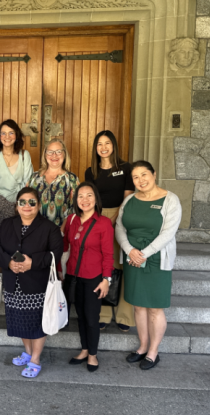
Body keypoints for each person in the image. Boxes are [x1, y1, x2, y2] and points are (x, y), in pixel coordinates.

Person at [115, 161, 182, 370]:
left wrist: (144, 254)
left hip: (156, 258)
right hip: (133, 258)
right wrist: (129, 250)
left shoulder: (170, 200)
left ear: (154, 174)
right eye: (136, 177)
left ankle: (153, 351)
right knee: (138, 305)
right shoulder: (129, 200)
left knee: (154, 308)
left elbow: (168, 233)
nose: (141, 180)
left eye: (144, 175)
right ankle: (142, 347)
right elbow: (119, 227)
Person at [0, 187, 63, 378]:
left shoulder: (50, 228)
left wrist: (33, 262)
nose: (27, 206)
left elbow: (56, 253)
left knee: (37, 323)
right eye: (22, 202)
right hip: (13, 283)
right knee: (21, 321)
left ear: (38, 205)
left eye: (32, 202)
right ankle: (28, 352)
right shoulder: (7, 224)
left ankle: (35, 359)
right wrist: (8, 262)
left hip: (37, 284)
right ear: (17, 205)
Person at [84, 130, 137, 332]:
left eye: (107, 143)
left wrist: (114, 220)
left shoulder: (125, 168)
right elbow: (90, 198)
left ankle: (124, 315)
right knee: (102, 265)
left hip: (121, 217)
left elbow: (128, 198)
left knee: (121, 265)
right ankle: (104, 313)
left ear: (113, 145)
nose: (103, 147)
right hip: (97, 217)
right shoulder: (91, 171)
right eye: (99, 144)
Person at [61, 182, 114, 372]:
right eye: (81, 196)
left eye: (89, 195)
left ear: (96, 198)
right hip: (73, 276)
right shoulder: (71, 220)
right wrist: (60, 271)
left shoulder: (103, 223)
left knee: (92, 318)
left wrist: (106, 279)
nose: (85, 200)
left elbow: (108, 254)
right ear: (76, 200)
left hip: (94, 278)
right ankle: (84, 350)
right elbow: (64, 246)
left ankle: (93, 354)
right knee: (80, 316)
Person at [0, 119, 33, 228]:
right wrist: (7, 208)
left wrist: (18, 206)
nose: (7, 137)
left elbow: (28, 185)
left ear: (17, 135)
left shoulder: (25, 155)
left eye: (11, 133)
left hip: (22, 208)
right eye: (3, 133)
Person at [26, 138, 79, 228]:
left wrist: (62, 231)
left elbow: (75, 209)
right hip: (35, 230)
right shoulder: (34, 178)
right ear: (45, 155)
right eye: (50, 152)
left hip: (61, 232)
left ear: (64, 154)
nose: (54, 155)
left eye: (58, 151)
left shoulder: (72, 179)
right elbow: (26, 204)